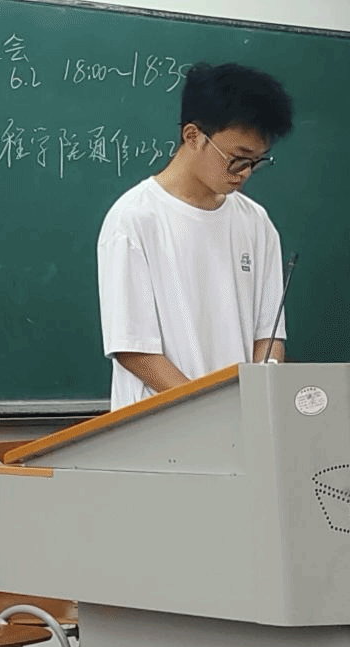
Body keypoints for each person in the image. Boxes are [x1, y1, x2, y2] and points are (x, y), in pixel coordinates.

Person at [97, 61, 294, 411]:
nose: (245, 173)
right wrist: (207, 410)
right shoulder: (134, 219)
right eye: (238, 159)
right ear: (193, 137)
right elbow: (134, 350)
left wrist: (260, 392)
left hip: (240, 421)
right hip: (161, 426)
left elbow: (269, 334)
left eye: (257, 162)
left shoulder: (256, 223)